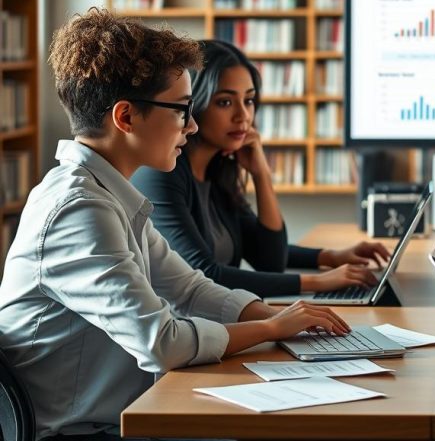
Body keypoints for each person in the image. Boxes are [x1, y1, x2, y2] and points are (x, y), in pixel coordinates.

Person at [0, 9, 350, 439]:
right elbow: (160, 343)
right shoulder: (77, 210)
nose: (193, 125)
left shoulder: (109, 195)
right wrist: (271, 328)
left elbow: (189, 288)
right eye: (183, 110)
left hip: (119, 417)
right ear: (126, 117)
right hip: (78, 434)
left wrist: (284, 318)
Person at [132, 40, 388, 298]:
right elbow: (204, 274)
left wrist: (261, 173)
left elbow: (269, 259)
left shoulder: (216, 171)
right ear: (194, 104)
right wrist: (316, 282)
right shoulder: (161, 173)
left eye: (249, 100)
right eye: (225, 102)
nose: (243, 115)